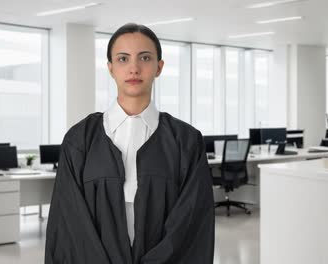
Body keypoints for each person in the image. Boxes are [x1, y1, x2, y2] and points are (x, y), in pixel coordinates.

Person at [45, 23, 215, 264]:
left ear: (159, 67)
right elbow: (70, 226)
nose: (134, 68)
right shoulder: (80, 139)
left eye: (144, 58)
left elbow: (191, 224)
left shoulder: (186, 142)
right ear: (111, 68)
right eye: (123, 59)